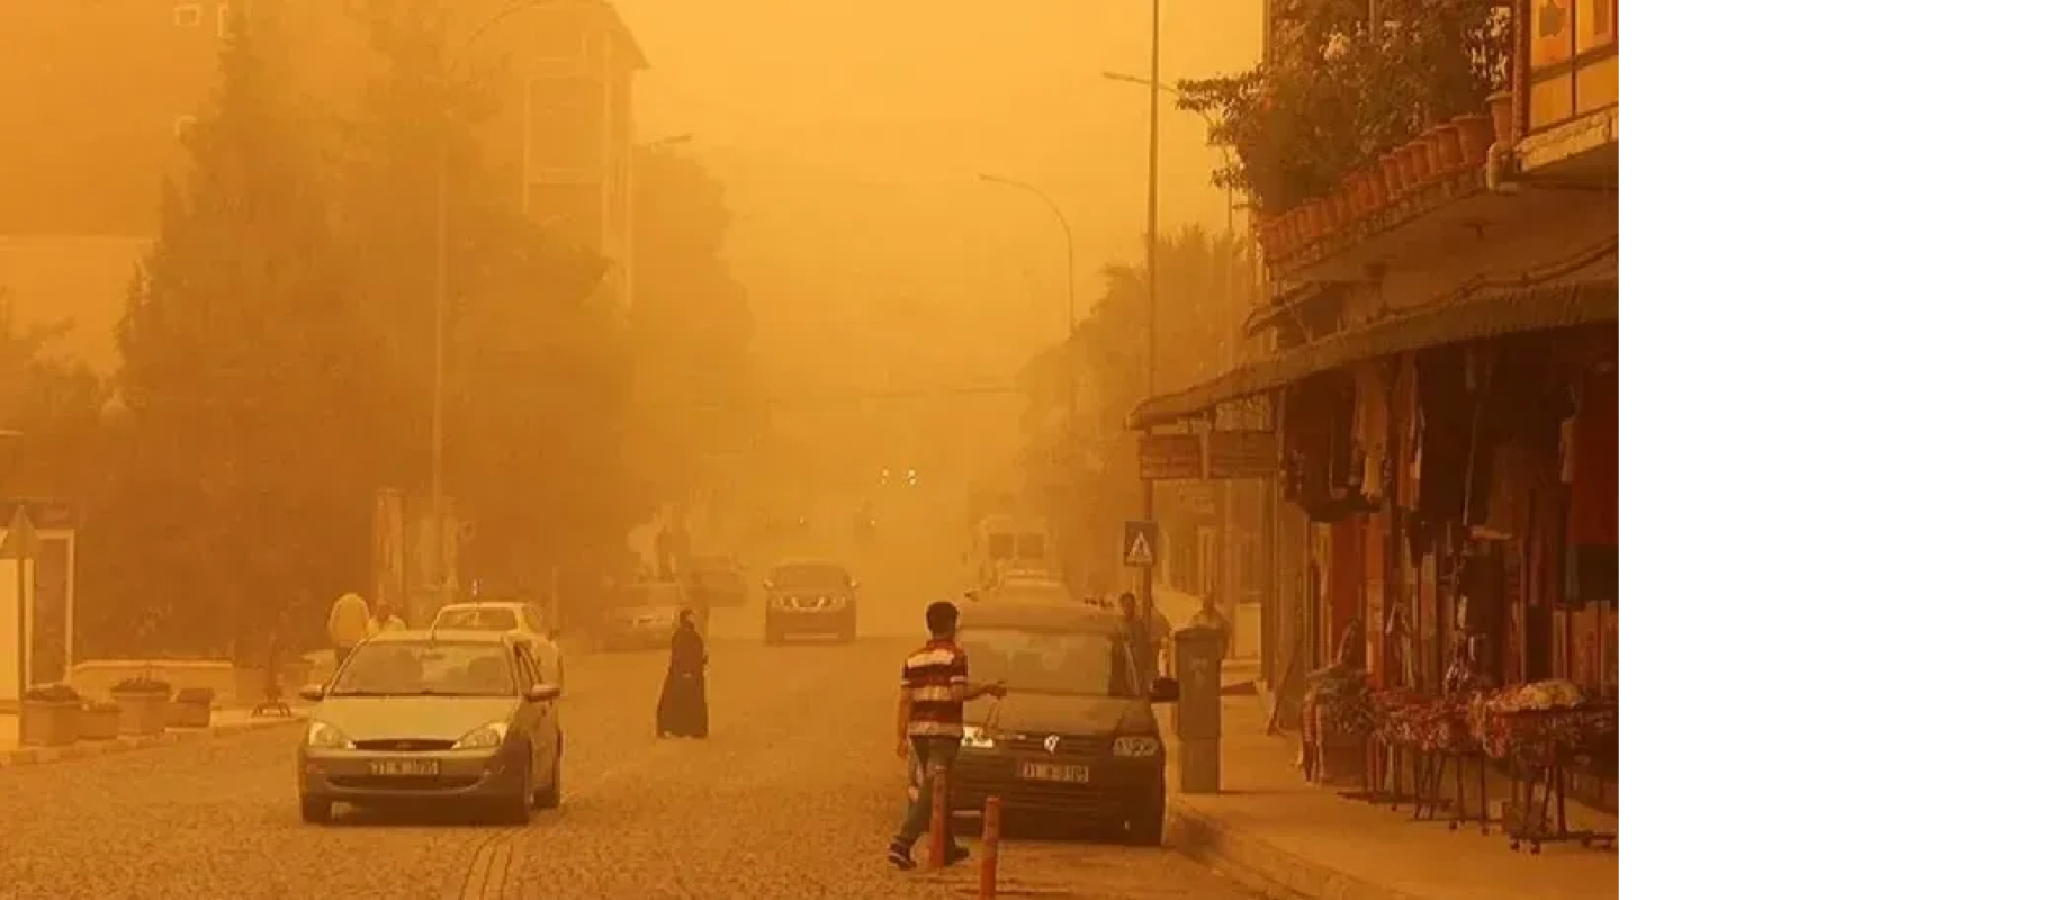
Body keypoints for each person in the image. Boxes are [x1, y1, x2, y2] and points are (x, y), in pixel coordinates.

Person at [888, 601, 1006, 871]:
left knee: (941, 789)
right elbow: (958, 694)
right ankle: (902, 842)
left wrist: (900, 736)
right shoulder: (956, 657)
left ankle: (948, 846)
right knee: (932, 790)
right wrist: (988, 689)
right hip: (944, 732)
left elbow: (905, 700)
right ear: (952, 624)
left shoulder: (913, 658)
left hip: (918, 732)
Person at [656, 609, 709, 738]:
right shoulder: (685, 636)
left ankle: (683, 728)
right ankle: (684, 729)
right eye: (691, 617)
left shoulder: (689, 635)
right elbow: (681, 655)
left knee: (682, 702)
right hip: (686, 673)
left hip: (687, 673)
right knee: (684, 702)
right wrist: (688, 670)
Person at [326, 592, 372, 668]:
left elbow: (332, 624)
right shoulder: (361, 603)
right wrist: (366, 640)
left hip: (342, 645)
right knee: (356, 668)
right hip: (357, 645)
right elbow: (366, 623)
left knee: (342, 669)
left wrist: (335, 641)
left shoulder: (339, 603)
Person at [1185, 592, 1232, 661]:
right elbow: (1190, 630)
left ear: (1212, 604)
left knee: (1214, 669)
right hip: (1202, 652)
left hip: (1215, 652)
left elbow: (1227, 632)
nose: (1207, 605)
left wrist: (1224, 649)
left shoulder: (1219, 618)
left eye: (1209, 602)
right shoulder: (1198, 617)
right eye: (1206, 602)